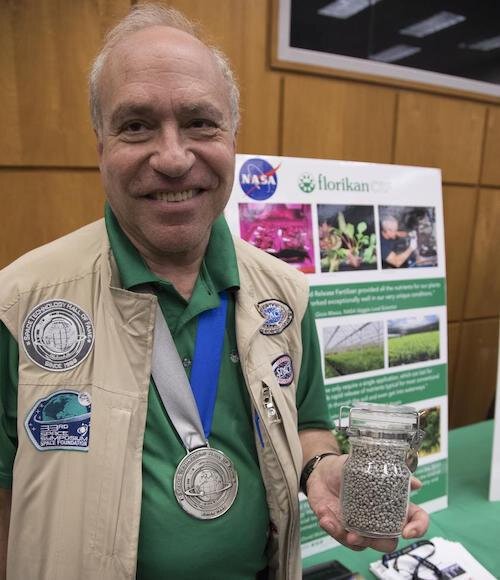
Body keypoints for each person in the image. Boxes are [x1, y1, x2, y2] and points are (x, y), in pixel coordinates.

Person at [0, 4, 429, 579]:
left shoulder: (284, 294)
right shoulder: (19, 304)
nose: (174, 158)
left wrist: (320, 466)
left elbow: (304, 423)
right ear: (100, 144)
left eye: (201, 122)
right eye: (136, 125)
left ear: (232, 137)